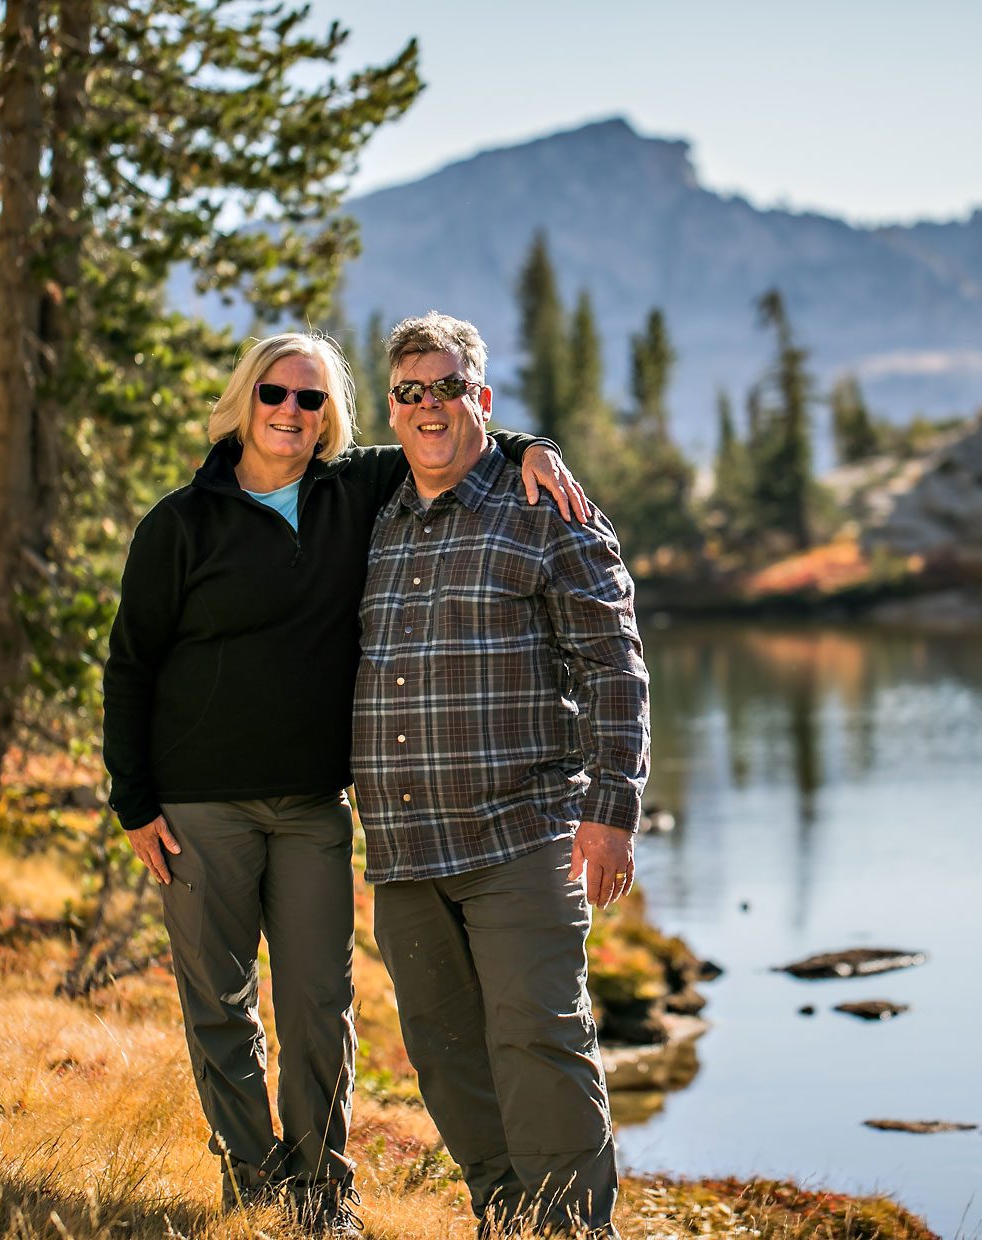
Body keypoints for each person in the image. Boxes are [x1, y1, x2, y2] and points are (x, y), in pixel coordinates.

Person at [101, 330, 586, 1234]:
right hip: (198, 808)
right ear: (246, 400)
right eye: (277, 395)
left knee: (321, 1009)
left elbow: (450, 429)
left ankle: (323, 1196)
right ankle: (254, 1185)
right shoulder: (180, 522)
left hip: (314, 810)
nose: (291, 412)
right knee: (220, 1005)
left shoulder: (357, 489)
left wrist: (535, 448)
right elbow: (131, 665)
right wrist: (134, 801)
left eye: (312, 399)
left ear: (332, 418)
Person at [352, 312, 649, 1238]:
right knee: (443, 1056)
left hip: (523, 834)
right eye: (411, 392)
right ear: (392, 409)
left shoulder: (543, 507)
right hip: (405, 850)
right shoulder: (373, 515)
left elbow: (614, 661)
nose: (430, 407)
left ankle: (569, 1229)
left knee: (538, 1041)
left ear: (480, 398)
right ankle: (507, 1218)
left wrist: (610, 812)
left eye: (449, 388)